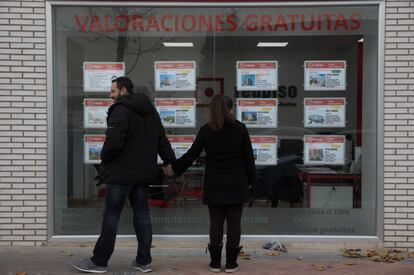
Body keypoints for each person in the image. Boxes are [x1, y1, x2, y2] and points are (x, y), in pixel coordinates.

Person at [74, 77, 175, 274]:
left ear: (124, 90)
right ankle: (143, 261)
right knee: (142, 215)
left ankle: (99, 261)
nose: (110, 95)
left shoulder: (121, 109)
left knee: (111, 216)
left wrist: (104, 159)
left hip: (121, 174)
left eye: (113, 91)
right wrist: (169, 161)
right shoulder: (151, 111)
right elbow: (161, 138)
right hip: (142, 174)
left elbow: (114, 142)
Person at [164, 94, 256, 273]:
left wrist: (174, 168)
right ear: (230, 109)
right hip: (237, 183)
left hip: (215, 183)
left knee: (215, 223)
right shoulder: (241, 129)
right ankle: (231, 264)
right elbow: (249, 159)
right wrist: (252, 183)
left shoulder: (207, 130)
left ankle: (214, 263)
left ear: (212, 110)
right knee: (234, 223)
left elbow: (192, 154)